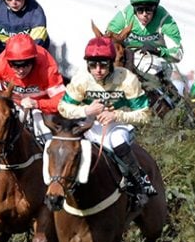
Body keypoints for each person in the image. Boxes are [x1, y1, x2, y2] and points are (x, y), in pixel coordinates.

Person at [59, 36, 157, 206]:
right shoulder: (81, 78)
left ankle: (139, 183)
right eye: (93, 65)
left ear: (112, 63)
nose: (98, 70)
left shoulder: (127, 79)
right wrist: (86, 110)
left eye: (103, 65)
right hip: (88, 126)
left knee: (117, 140)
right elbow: (63, 108)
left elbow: (145, 114)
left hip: (118, 126)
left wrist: (117, 115)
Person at [0, 34, 66, 176]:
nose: (21, 70)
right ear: (8, 61)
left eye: (26, 64)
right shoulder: (0, 61)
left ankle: (55, 176)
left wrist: (37, 103)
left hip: (38, 108)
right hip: (9, 102)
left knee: (45, 133)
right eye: (15, 65)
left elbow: (62, 101)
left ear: (34, 60)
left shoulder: (47, 65)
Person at [107, 0, 187, 97]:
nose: (145, 15)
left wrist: (159, 51)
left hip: (157, 61)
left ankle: (170, 100)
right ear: (134, 9)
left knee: (151, 65)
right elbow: (107, 42)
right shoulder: (124, 16)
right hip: (129, 57)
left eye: (149, 10)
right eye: (140, 10)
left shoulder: (165, 19)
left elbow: (178, 54)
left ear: (155, 8)